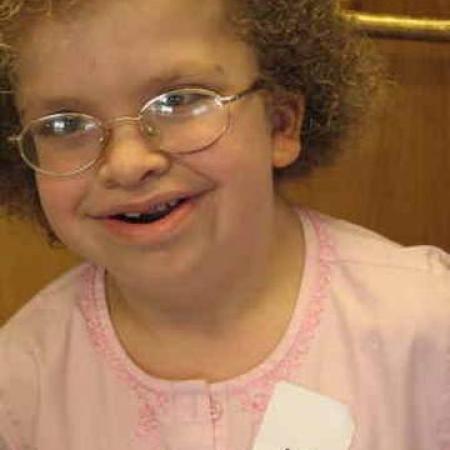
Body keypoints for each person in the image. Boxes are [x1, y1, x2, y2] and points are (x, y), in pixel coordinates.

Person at [0, 0, 448, 449]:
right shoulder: (23, 380)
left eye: (178, 101)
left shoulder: (426, 326)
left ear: (280, 123)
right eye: (64, 125)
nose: (127, 164)